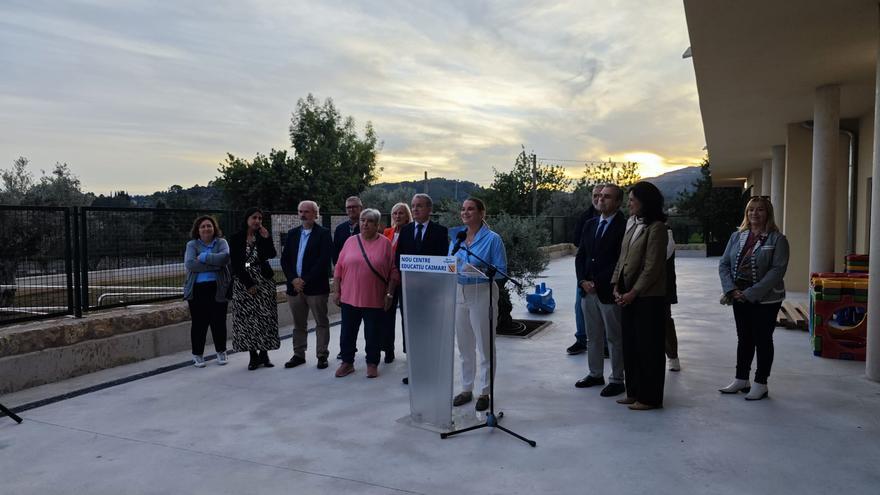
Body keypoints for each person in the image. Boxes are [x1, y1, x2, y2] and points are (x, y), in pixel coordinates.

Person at [718, 196, 789, 400]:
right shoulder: (737, 236)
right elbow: (724, 264)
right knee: (744, 338)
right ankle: (741, 379)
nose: (754, 214)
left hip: (766, 299)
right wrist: (731, 290)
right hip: (738, 296)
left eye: (759, 210)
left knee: (762, 339)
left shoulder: (778, 239)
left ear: (768, 213)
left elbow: (777, 272)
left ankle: (761, 382)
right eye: (750, 210)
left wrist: (750, 293)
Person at [612, 181, 668, 411]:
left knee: (649, 348)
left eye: (633, 199)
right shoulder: (634, 225)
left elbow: (652, 267)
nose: (629, 203)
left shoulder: (657, 228)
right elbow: (622, 258)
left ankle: (650, 398)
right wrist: (616, 285)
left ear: (645, 202)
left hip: (647, 298)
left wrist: (634, 292)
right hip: (627, 294)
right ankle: (633, 392)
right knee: (631, 346)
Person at [451, 198, 508, 412]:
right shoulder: (457, 237)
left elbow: (501, 270)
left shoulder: (493, 239)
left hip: (482, 292)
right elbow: (450, 261)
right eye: (463, 209)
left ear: (482, 213)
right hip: (459, 292)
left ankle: (485, 391)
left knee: (484, 345)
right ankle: (466, 389)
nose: (465, 212)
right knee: (464, 345)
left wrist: (480, 271)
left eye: (470, 209)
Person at [332, 209, 399, 378]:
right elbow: (339, 268)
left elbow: (393, 272)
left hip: (374, 297)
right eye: (362, 220)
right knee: (347, 333)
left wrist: (389, 295)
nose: (365, 224)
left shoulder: (385, 243)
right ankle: (347, 362)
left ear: (377, 225)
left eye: (369, 221)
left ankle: (372, 362)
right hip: (349, 297)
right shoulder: (350, 241)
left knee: (373, 333)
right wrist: (336, 291)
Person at [574, 184, 627, 397]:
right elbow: (582, 256)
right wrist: (583, 281)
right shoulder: (590, 224)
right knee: (593, 336)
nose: (601, 200)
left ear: (618, 202)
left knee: (615, 337)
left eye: (607, 197)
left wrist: (601, 282)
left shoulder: (624, 226)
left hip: (609, 291)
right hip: (588, 291)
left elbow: (621, 261)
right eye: (599, 196)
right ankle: (595, 374)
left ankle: (617, 379)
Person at [395, 193, 450, 384]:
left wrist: (427, 280)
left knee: (430, 331)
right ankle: (415, 370)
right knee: (412, 331)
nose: (416, 209)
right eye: (413, 205)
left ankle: (433, 369)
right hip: (409, 291)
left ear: (429, 209)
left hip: (431, 292)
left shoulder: (441, 232)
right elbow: (399, 258)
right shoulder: (406, 230)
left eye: (420, 206)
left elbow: (443, 261)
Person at [280, 200, 332, 370]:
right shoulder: (292, 233)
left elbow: (323, 261)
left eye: (307, 211)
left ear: (316, 214)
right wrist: (293, 279)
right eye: (300, 211)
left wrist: (305, 280)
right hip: (294, 288)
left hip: (316, 288)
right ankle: (298, 354)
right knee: (299, 324)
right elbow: (285, 260)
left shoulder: (323, 234)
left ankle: (322, 355)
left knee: (321, 322)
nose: (303, 215)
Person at [229, 207, 280, 370]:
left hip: (264, 280)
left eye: (260, 218)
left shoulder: (262, 236)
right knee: (247, 320)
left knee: (265, 318)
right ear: (247, 219)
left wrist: (267, 238)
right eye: (254, 217)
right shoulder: (236, 238)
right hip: (244, 281)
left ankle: (264, 354)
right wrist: (249, 284)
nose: (257, 221)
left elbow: (271, 254)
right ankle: (253, 356)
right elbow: (236, 264)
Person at [183, 215, 231, 368]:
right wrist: (216, 264)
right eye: (202, 226)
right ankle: (197, 355)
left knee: (219, 322)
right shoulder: (192, 245)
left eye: (209, 226)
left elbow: (225, 258)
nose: (206, 228)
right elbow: (190, 264)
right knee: (199, 323)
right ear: (198, 230)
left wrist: (203, 256)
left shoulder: (221, 242)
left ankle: (221, 351)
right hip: (197, 290)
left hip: (218, 287)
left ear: (214, 228)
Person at [567, 184, 604, 355]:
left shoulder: (618, 221)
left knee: (604, 308)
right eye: (595, 195)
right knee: (579, 307)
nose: (598, 199)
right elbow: (576, 242)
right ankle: (581, 339)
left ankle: (604, 344)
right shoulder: (586, 218)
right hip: (585, 272)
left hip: (605, 274)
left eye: (601, 195)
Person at [381, 202, 412, 363]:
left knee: (406, 317)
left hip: (406, 280)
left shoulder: (411, 232)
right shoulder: (387, 232)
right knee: (387, 315)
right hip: (389, 281)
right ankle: (388, 350)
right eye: (395, 213)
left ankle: (409, 352)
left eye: (401, 213)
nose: (397, 216)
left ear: (407, 216)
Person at [665, 226, 681, 372]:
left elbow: (665, 254)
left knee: (664, 322)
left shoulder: (666, 230)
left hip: (662, 287)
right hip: (637, 286)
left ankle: (673, 357)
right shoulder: (632, 224)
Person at [333, 196, 363, 265]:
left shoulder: (366, 228)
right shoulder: (340, 229)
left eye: (354, 207)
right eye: (349, 207)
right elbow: (335, 252)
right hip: (344, 269)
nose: (351, 209)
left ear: (361, 208)